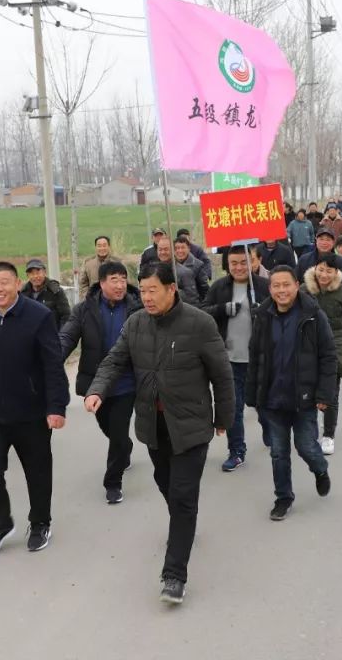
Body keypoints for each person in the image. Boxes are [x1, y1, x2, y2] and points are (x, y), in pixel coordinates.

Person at [84, 263, 234, 605]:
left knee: (182, 495)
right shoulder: (136, 323)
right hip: (153, 424)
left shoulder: (199, 323)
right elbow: (113, 361)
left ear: (172, 289)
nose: (147, 297)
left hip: (192, 425)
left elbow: (222, 376)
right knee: (166, 483)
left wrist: (224, 417)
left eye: (153, 290)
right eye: (144, 290)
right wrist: (97, 390)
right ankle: (185, 522)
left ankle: (174, 575)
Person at [0, 261, 70, 558]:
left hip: (31, 412)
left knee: (37, 472)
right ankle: (0, 523)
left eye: (4, 283)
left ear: (16, 284)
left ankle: (40, 523)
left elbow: (52, 364)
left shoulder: (39, 316)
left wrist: (56, 406)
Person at [245, 266, 335, 521]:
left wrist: (323, 395)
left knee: (306, 446)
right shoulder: (262, 316)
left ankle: (320, 469)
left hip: (303, 399)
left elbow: (328, 357)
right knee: (278, 453)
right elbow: (256, 356)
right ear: (270, 288)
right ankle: (283, 497)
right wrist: (252, 394)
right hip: (272, 400)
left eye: (286, 285)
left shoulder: (313, 316)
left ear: (297, 285)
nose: (281, 290)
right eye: (276, 286)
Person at [59, 261, 142, 504]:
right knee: (108, 427)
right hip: (95, 384)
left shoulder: (137, 308)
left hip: (126, 382)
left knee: (117, 431)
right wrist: (52, 359)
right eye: (114, 280)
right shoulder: (84, 309)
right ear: (102, 283)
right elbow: (67, 336)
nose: (119, 285)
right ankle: (124, 447)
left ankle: (113, 483)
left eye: (123, 279)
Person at [201, 245, 271, 471]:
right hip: (229, 360)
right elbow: (203, 313)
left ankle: (270, 429)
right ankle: (237, 451)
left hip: (259, 359)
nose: (239, 267)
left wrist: (264, 311)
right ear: (227, 265)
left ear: (253, 262)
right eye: (234, 263)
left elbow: (282, 312)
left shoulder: (264, 286)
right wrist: (222, 309)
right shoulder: (219, 287)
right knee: (234, 408)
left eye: (244, 262)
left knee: (263, 404)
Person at [303, 254, 342, 455]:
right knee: (307, 391)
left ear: (336, 273)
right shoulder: (303, 291)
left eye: (329, 270)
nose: (324, 274)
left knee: (331, 393)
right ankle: (309, 429)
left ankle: (328, 435)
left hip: (334, 346)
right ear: (315, 269)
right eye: (321, 269)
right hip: (308, 347)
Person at [142, 237, 204, 306]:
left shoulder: (185, 273)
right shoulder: (153, 271)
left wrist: (169, 291)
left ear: (173, 251)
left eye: (166, 249)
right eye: (160, 250)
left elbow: (192, 299)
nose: (163, 252)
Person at [22, 258, 71, 329]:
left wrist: (61, 337)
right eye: (32, 273)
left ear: (44, 272)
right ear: (27, 276)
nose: (35, 276)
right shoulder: (23, 293)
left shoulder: (55, 291)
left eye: (38, 272)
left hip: (52, 336)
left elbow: (66, 316)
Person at [173, 236, 211, 302]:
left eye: (183, 247)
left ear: (189, 248)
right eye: (177, 248)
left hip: (193, 303)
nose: (180, 251)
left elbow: (204, 288)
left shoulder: (198, 265)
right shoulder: (171, 264)